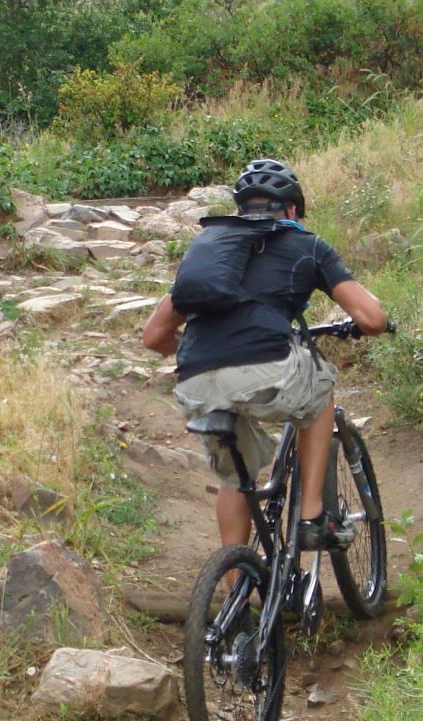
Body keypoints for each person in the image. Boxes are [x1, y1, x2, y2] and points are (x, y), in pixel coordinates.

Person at [142, 159, 387, 551]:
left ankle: (235, 587)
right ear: (292, 210)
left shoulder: (215, 254)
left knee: (236, 477)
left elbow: (154, 335)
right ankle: (312, 519)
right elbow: (372, 319)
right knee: (322, 392)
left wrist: (206, 354)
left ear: (242, 209)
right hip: (265, 371)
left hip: (195, 380)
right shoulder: (307, 247)